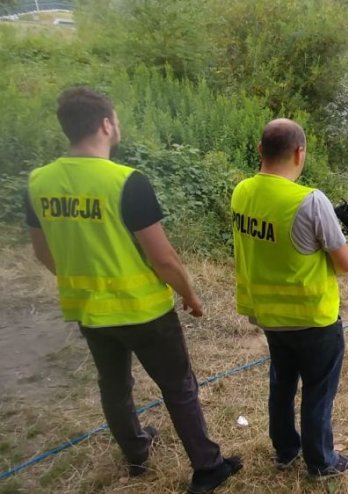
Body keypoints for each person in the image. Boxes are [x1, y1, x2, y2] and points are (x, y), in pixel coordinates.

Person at [24, 87, 241, 493]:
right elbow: (163, 259)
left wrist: (78, 276)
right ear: (106, 124)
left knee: (114, 386)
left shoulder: (38, 182)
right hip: (145, 312)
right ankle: (208, 467)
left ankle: (137, 453)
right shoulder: (126, 182)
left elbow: (43, 252)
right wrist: (190, 296)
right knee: (179, 387)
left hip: (89, 310)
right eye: (116, 119)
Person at [230, 118, 348, 480]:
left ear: (260, 151)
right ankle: (321, 463)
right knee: (318, 391)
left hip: (270, 316)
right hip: (313, 318)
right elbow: (344, 264)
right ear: (300, 152)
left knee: (282, 383)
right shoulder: (311, 200)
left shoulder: (241, 192)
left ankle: (286, 450)